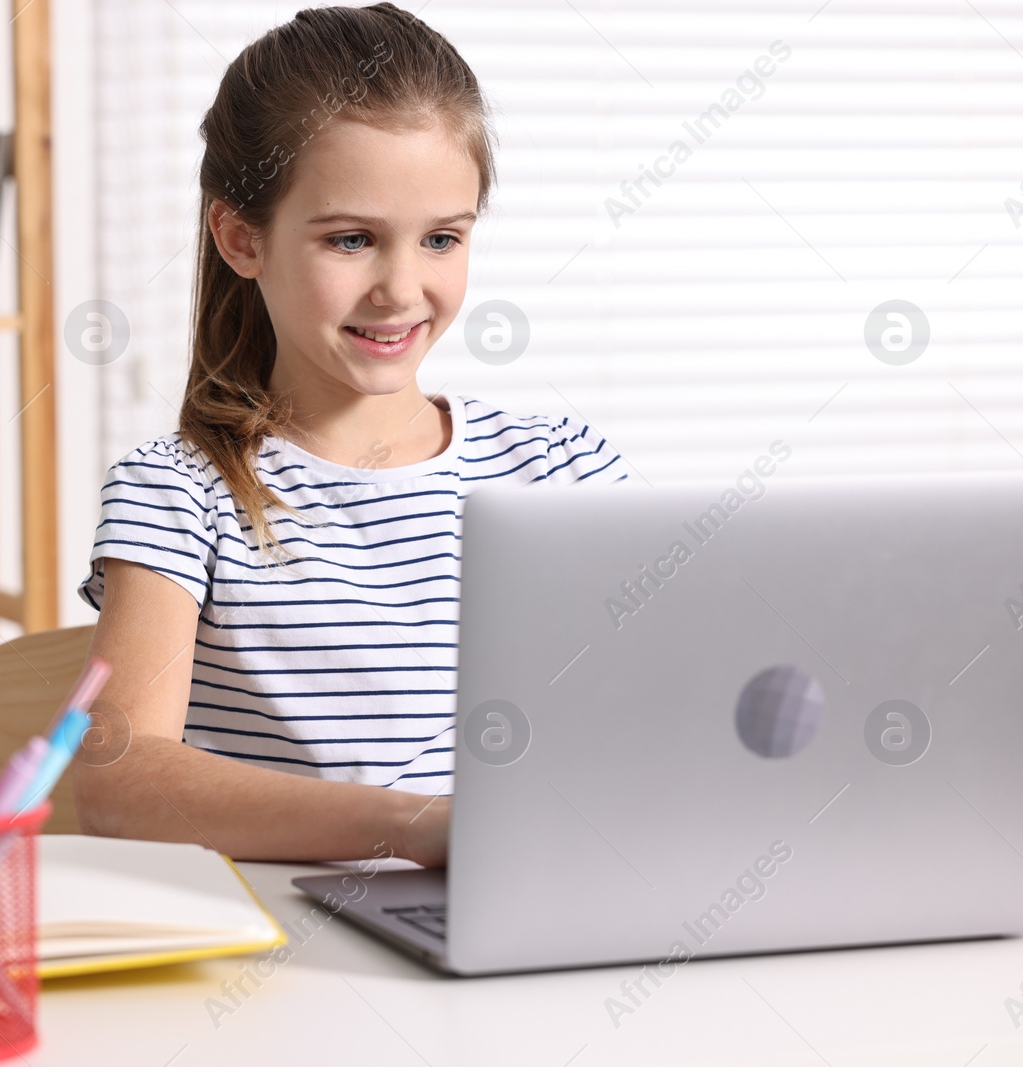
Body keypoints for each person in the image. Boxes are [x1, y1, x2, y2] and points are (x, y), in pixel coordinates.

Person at [73, 3, 625, 866]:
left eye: (442, 238)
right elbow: (116, 773)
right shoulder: (179, 493)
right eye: (353, 240)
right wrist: (414, 828)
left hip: (538, 912)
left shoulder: (562, 468)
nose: (402, 290)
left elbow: (665, 709)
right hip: (292, 957)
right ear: (241, 237)